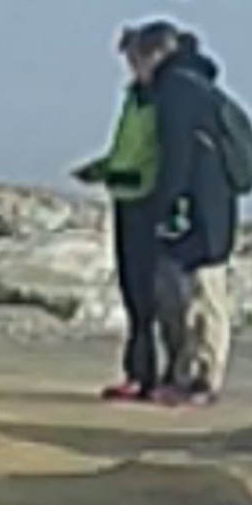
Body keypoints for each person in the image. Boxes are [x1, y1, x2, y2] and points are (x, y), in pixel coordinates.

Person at [143, 24, 252, 399]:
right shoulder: (199, 86)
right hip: (214, 205)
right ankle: (191, 375)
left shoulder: (176, 90)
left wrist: (163, 203)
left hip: (201, 208)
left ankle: (204, 380)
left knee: (205, 294)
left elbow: (177, 155)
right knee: (198, 293)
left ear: (154, 54)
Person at [74, 23, 179, 398]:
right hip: (127, 197)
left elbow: (157, 157)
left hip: (148, 201)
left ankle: (155, 376)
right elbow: (129, 150)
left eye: (137, 59)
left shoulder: (165, 100)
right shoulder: (135, 98)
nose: (133, 67)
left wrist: (117, 171)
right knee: (134, 292)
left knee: (151, 294)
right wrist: (104, 168)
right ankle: (139, 373)